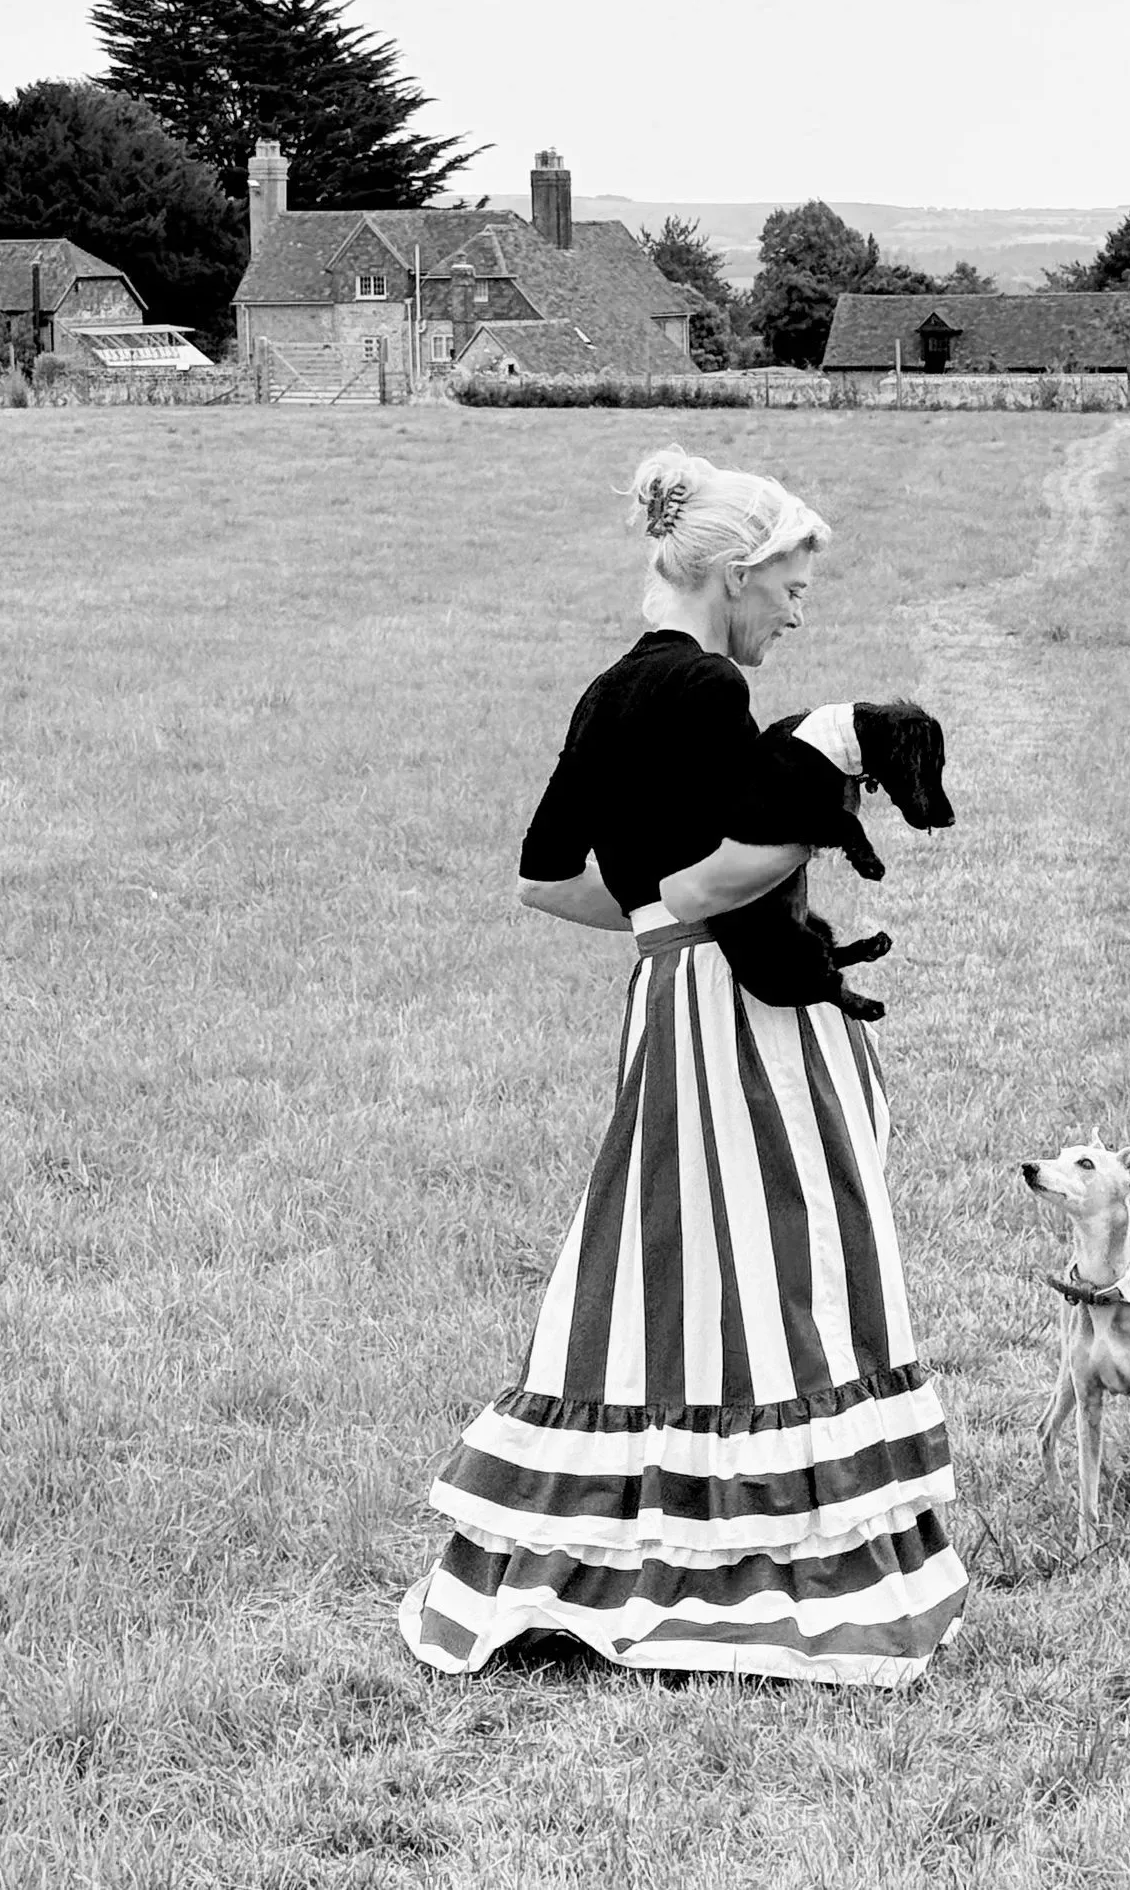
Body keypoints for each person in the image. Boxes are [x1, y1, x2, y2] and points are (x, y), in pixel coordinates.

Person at [397, 446, 968, 1685]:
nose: (796, 612)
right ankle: (767, 1563)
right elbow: (723, 873)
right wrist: (824, 783)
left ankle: (626, 1532)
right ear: (735, 573)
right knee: (783, 1257)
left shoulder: (609, 690)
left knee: (670, 1261)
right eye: (791, 587)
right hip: (734, 1014)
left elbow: (546, 878)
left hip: (668, 1001)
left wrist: (658, 917)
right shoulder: (708, 687)